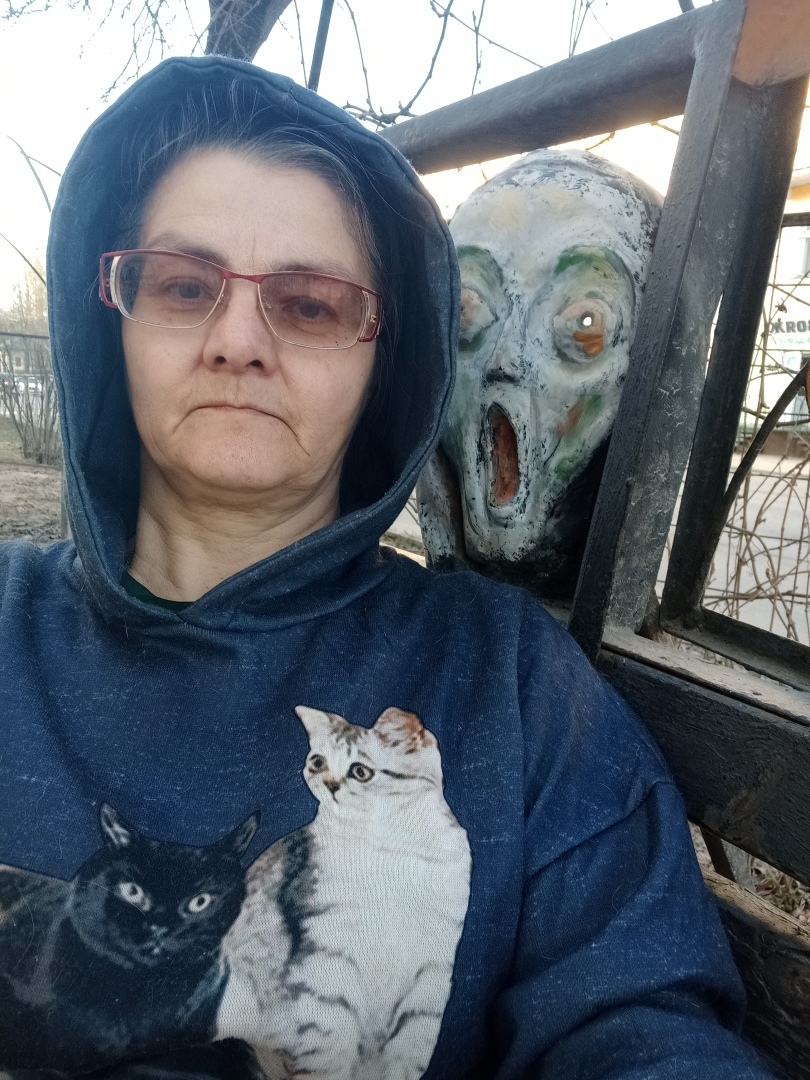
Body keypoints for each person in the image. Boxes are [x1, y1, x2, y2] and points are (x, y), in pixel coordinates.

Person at [0, 56, 773, 1080]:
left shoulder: (506, 681)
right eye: (185, 286)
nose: (238, 340)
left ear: (387, 364)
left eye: (310, 305)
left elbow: (637, 1024)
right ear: (113, 315)